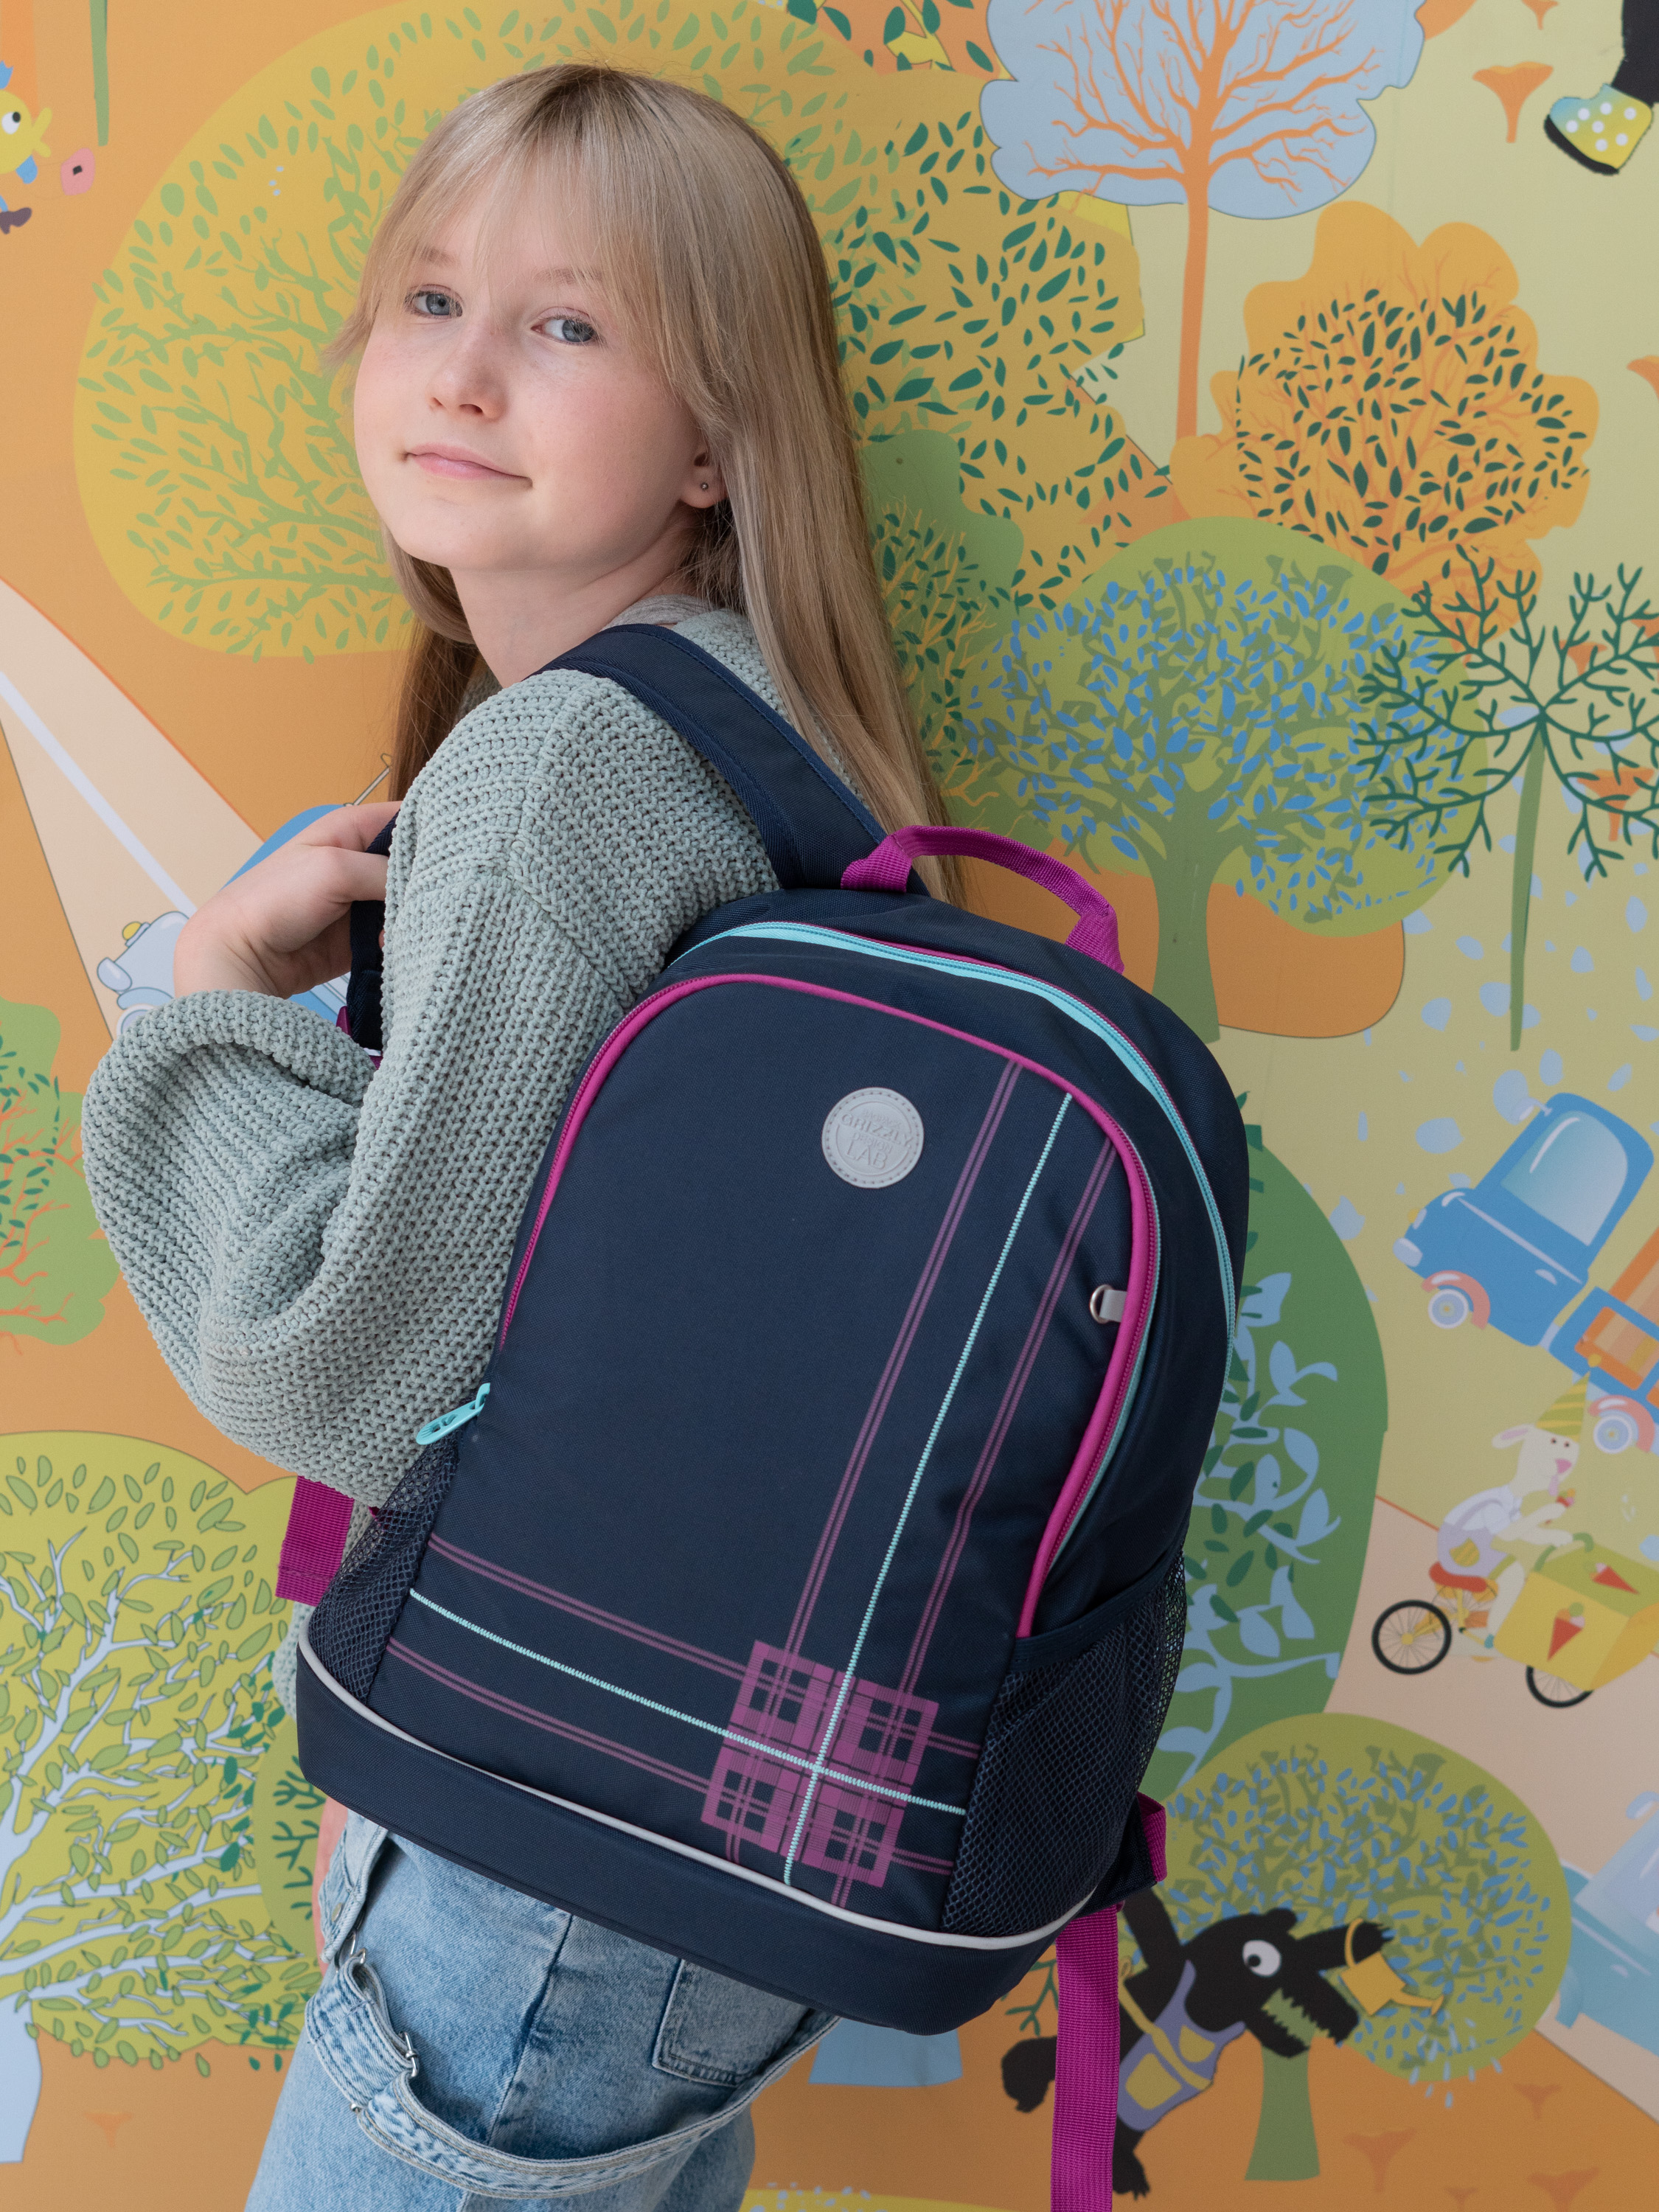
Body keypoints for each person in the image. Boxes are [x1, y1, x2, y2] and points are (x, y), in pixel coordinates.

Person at [80, 62, 956, 2211]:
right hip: (718, 1818)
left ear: (714, 445)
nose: (463, 372)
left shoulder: (561, 770)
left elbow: (354, 1366)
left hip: (548, 1843)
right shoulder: (767, 741)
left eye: (565, 324)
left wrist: (207, 1009)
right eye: (428, 299)